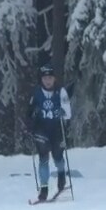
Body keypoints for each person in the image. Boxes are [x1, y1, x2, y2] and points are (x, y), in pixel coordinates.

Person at [26, 64, 72, 201]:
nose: (48, 81)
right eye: (45, 78)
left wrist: (62, 112)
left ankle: (62, 175)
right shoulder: (36, 93)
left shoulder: (61, 92)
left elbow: (68, 114)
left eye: (50, 78)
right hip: (41, 128)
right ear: (41, 79)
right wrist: (29, 123)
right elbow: (28, 112)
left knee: (58, 157)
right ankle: (44, 189)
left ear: (54, 79)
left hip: (56, 129)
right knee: (43, 157)